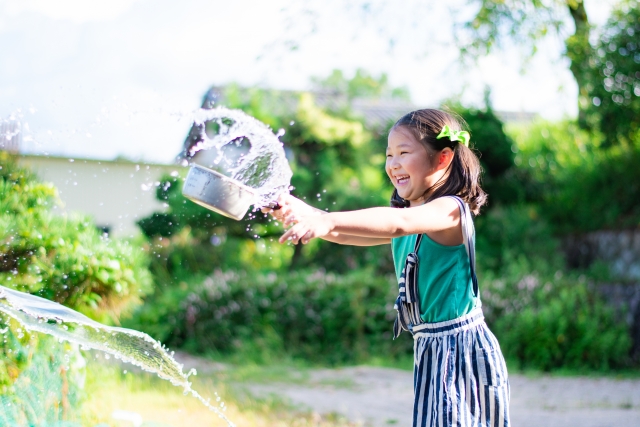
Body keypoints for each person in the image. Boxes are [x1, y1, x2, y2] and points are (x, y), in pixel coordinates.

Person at [265, 108, 510, 427]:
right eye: (389, 155)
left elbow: (397, 223)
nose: (393, 164)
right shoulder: (415, 213)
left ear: (442, 159)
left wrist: (324, 220)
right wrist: (304, 212)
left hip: (461, 352)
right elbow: (342, 232)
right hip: (432, 350)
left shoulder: (450, 210)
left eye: (404, 153)